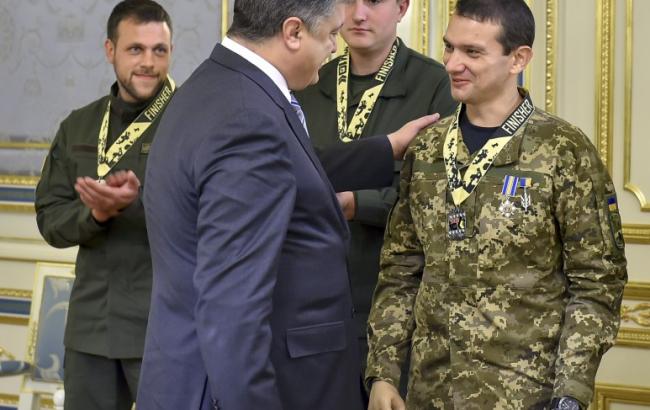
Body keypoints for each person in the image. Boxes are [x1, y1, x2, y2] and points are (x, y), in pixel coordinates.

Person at [136, 0, 440, 409]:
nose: (335, 47)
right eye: (330, 34)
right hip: (246, 386)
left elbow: (287, 169)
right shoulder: (247, 120)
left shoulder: (219, 85)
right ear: (293, 32)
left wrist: (386, 148)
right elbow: (233, 315)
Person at [365, 0, 628, 409]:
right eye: (449, 47)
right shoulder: (428, 148)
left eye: (472, 52)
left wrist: (570, 394)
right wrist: (383, 372)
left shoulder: (563, 150)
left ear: (517, 59)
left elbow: (597, 282)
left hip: (526, 395)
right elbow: (400, 268)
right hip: (429, 392)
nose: (453, 63)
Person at [296, 0, 456, 388]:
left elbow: (445, 196)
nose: (358, 14)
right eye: (348, 1)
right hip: (313, 310)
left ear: (402, 7)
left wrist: (356, 205)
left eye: (372, 1)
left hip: (398, 311)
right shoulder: (310, 80)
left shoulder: (435, 84)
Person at [34, 1, 174, 408]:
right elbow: (50, 218)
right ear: (110, 50)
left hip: (164, 327)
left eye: (160, 50)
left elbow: (213, 216)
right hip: (91, 327)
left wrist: (136, 204)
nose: (148, 62)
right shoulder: (78, 125)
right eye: (135, 49)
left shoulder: (191, 120)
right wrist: (97, 213)